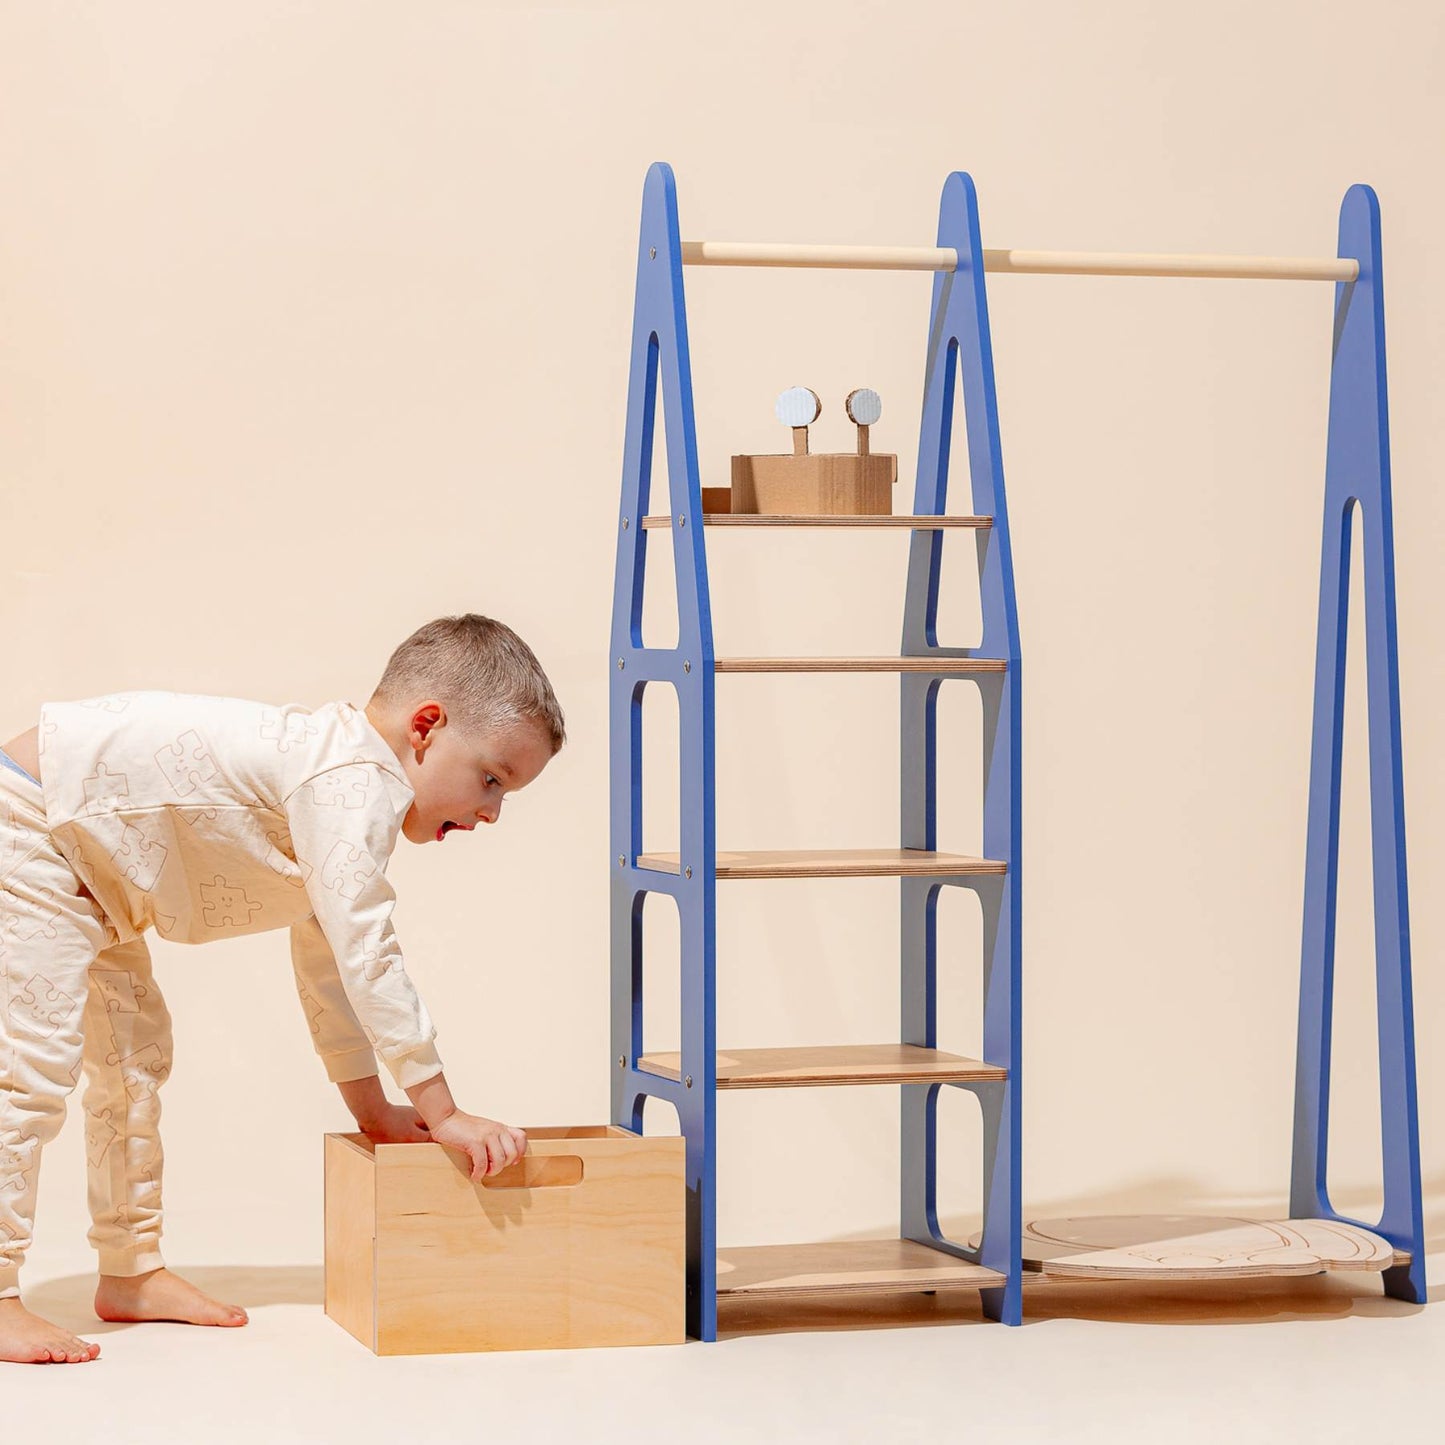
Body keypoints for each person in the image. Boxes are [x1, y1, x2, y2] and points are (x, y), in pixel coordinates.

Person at [0, 613, 563, 1364]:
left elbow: (328, 962)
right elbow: (369, 952)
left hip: (97, 872)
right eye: (491, 777)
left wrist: (375, 1110)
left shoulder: (338, 789)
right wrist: (443, 1110)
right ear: (424, 726)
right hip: (35, 825)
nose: (492, 810)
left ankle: (130, 1270)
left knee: (135, 1062)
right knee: (30, 1070)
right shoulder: (350, 778)